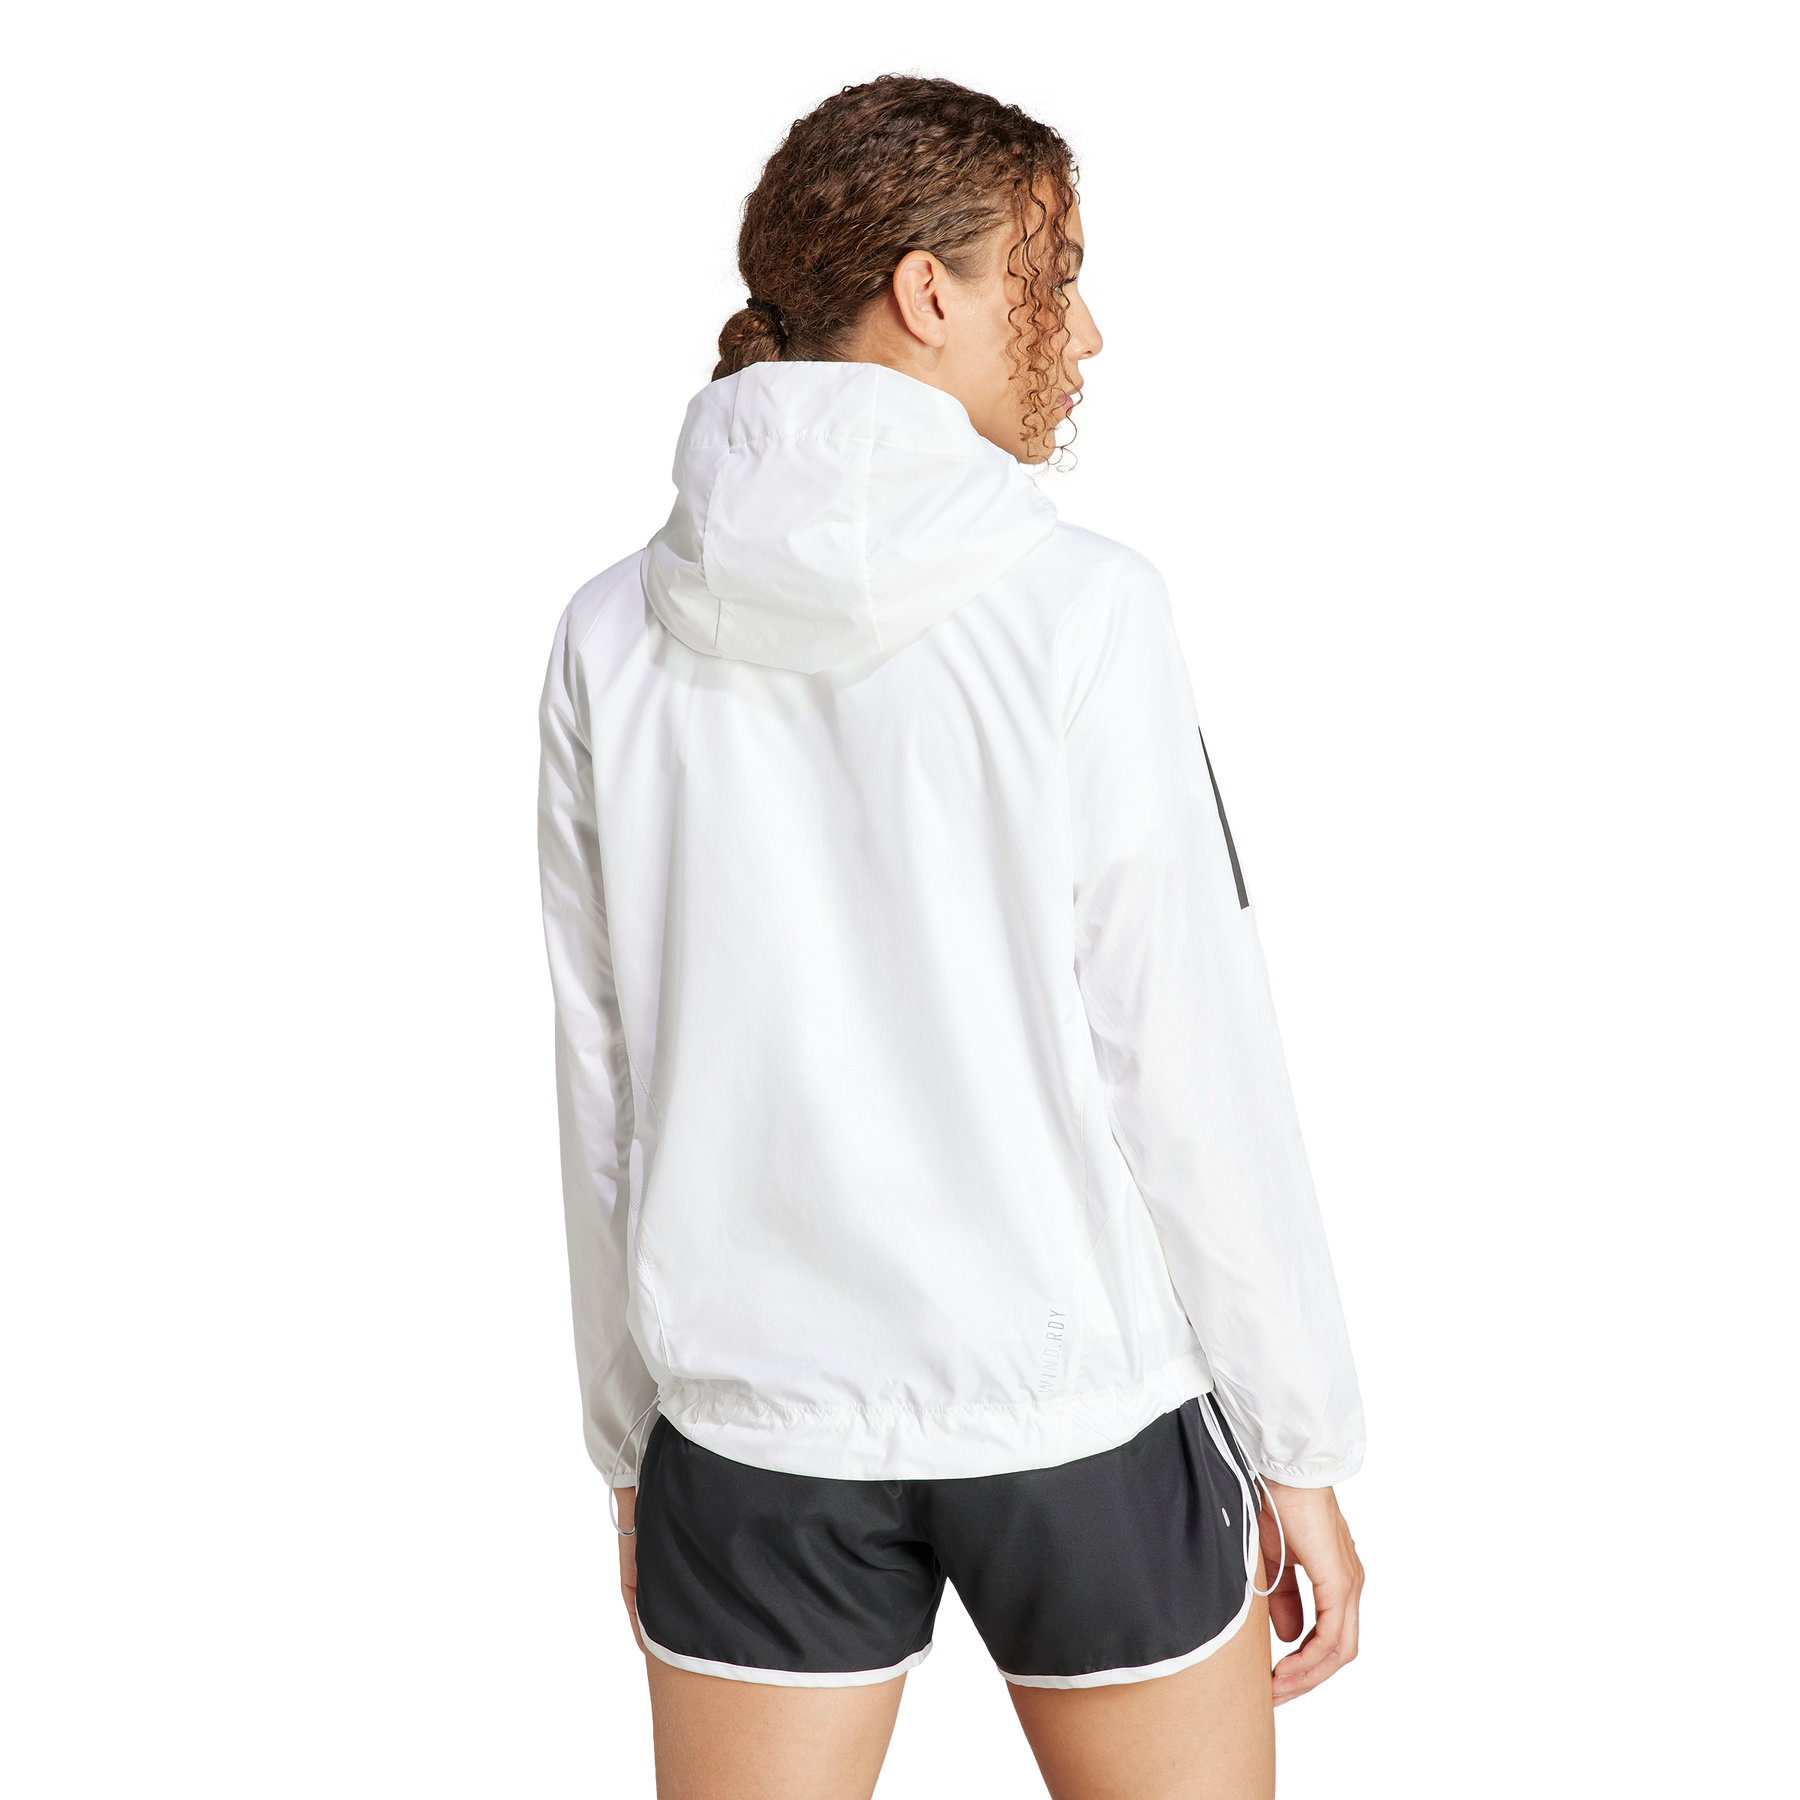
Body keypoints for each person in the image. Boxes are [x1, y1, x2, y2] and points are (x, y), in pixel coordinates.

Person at [536, 64, 1367, 1800]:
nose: (1086, 333)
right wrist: (1302, 1443)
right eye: (1053, 280)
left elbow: (598, 1083)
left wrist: (629, 1450)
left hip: (748, 1427)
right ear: (930, 292)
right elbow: (1187, 1046)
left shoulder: (607, 630)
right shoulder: (1085, 607)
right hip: (1079, 1412)